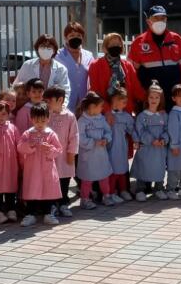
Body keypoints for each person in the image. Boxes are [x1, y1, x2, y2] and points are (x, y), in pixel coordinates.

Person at [129, 6, 181, 110]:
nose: (160, 21)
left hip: (174, 100)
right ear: (148, 21)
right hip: (151, 102)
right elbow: (131, 73)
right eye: (156, 18)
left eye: (163, 18)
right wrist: (142, 96)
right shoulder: (139, 43)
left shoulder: (176, 40)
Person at [17, 103, 63, 227]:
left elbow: (59, 149)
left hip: (47, 168)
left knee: (48, 189)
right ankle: (30, 214)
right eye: (36, 121)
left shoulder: (51, 134)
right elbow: (20, 147)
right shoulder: (27, 134)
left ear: (48, 119)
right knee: (32, 189)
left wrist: (50, 149)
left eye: (43, 120)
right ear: (32, 119)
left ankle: (48, 214)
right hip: (32, 168)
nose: (40, 124)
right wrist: (29, 146)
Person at [88, 32, 145, 110]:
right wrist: (107, 111)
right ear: (105, 47)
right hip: (104, 112)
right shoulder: (95, 65)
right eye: (112, 44)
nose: (116, 46)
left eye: (118, 44)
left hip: (126, 111)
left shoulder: (128, 65)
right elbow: (95, 92)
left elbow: (137, 89)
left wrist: (150, 100)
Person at [76, 92, 114, 209]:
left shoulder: (101, 119)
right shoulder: (82, 121)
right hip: (88, 156)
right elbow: (80, 138)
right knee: (87, 179)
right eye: (100, 106)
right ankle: (85, 199)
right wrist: (94, 142)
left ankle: (106, 196)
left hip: (101, 155)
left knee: (104, 177)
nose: (102, 108)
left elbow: (108, 131)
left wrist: (106, 139)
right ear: (92, 107)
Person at [45, 85, 79, 218]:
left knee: (64, 180)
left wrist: (71, 153)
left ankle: (64, 203)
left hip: (65, 155)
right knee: (52, 180)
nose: (47, 104)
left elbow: (74, 137)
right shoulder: (46, 115)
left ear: (60, 100)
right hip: (50, 156)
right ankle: (52, 204)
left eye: (49, 101)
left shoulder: (69, 116)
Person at [132, 83, 170, 201]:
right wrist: (152, 140)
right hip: (146, 148)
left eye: (157, 97)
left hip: (159, 149)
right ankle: (140, 189)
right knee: (143, 167)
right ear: (147, 98)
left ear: (161, 99)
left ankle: (159, 188)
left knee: (159, 168)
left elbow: (167, 129)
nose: (154, 100)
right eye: (151, 97)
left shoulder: (164, 115)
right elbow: (140, 131)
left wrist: (164, 139)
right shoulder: (142, 116)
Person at [15, 34, 71, 100]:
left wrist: (59, 108)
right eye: (42, 46)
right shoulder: (27, 65)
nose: (45, 49)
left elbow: (65, 92)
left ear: (54, 50)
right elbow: (16, 87)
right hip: (29, 106)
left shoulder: (61, 69)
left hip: (52, 107)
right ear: (37, 49)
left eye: (49, 47)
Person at [56, 22, 96, 114]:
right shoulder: (58, 55)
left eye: (79, 35)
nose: (75, 38)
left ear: (82, 37)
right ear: (66, 38)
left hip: (85, 104)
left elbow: (93, 76)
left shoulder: (89, 55)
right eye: (72, 35)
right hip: (65, 103)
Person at [106, 89, 134, 202]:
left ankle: (123, 190)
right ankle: (111, 192)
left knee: (123, 169)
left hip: (122, 146)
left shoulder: (126, 116)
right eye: (121, 100)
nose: (124, 103)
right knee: (112, 170)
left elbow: (132, 129)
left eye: (125, 101)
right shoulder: (107, 116)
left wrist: (137, 139)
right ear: (113, 101)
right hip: (110, 146)